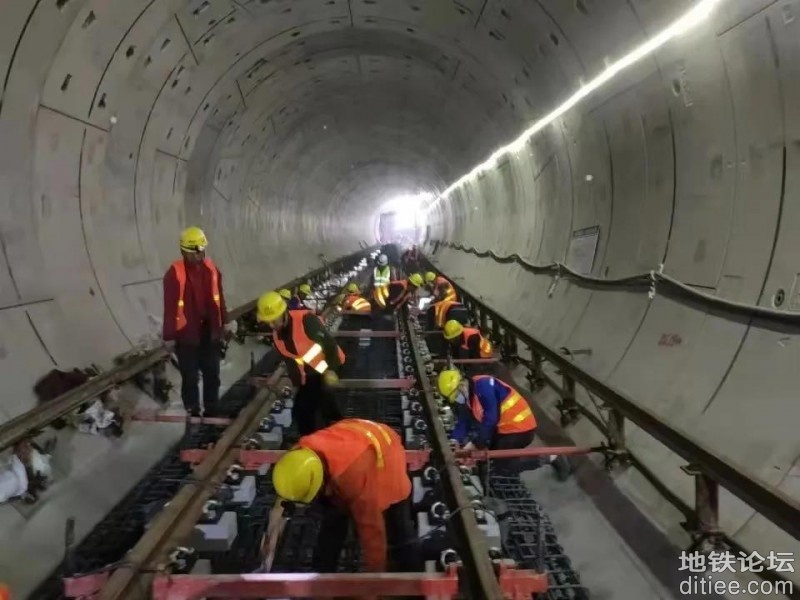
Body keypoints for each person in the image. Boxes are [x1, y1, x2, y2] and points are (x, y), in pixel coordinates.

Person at [270, 419, 418, 573]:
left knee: (398, 523)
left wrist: (375, 584)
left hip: (386, 448)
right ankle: (323, 576)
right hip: (354, 438)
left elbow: (372, 533)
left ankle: (413, 575)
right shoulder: (301, 456)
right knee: (332, 519)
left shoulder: (355, 476)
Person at [437, 370, 571, 479]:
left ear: (461, 385)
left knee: (503, 465)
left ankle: (552, 456)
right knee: (488, 454)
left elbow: (490, 419)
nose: (458, 400)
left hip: (520, 428)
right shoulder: (468, 394)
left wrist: (476, 444)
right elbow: (463, 420)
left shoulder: (483, 386)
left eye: (456, 396)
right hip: (504, 429)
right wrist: (454, 440)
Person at [256, 291, 344, 435]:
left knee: (323, 405)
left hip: (328, 366)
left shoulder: (305, 321)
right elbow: (291, 361)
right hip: (310, 374)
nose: (272, 325)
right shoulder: (278, 336)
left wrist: (332, 370)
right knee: (302, 411)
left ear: (284, 312)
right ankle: (311, 440)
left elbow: (329, 344)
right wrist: (298, 384)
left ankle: (338, 434)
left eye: (274, 320)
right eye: (268, 321)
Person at [163, 226, 229, 417]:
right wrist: (169, 336)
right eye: (195, 251)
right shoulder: (175, 273)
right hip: (186, 334)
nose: (200, 255)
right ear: (184, 251)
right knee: (190, 377)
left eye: (202, 250)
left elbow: (219, 298)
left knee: (212, 373)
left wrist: (225, 321)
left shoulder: (211, 269)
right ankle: (192, 409)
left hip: (209, 331)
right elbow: (169, 307)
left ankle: (212, 408)